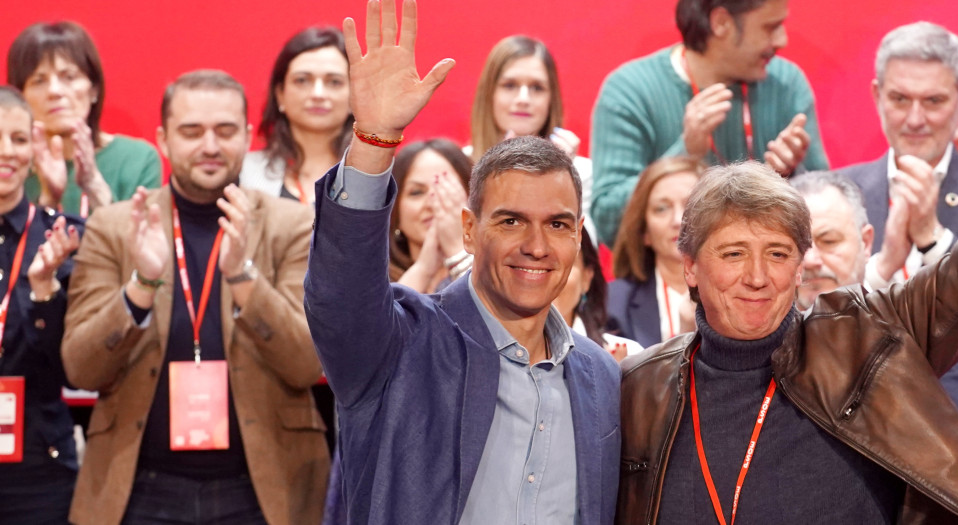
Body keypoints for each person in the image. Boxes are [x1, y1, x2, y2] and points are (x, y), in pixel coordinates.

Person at [616, 67, 958, 524]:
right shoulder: (640, 389)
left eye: (778, 254)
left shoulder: (867, 336)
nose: (758, 276)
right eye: (733, 254)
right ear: (689, 265)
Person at [304, 2, 619, 523]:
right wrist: (373, 141)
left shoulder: (601, 377)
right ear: (470, 231)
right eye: (512, 221)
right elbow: (339, 295)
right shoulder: (399, 345)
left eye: (559, 225)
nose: (537, 245)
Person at [61, 70, 327, 524]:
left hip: (266, 487)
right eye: (191, 132)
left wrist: (244, 276)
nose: (209, 146)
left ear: (246, 136)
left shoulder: (292, 225)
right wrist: (140, 286)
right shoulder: (117, 227)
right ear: (163, 139)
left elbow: (308, 363)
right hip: (139, 487)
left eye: (224, 131)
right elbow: (81, 367)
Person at [841, 22, 958, 409]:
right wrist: (881, 266)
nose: (914, 119)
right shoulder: (832, 194)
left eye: (933, 101)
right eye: (899, 99)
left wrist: (933, 241)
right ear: (877, 96)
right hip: (845, 419)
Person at [589, 0, 829, 245]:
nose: (782, 40)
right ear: (721, 23)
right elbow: (609, 222)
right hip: (670, 275)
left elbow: (828, 205)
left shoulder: (786, 83)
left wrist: (789, 176)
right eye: (771, 27)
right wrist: (685, 155)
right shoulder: (630, 92)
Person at [791, 170, 958, 438]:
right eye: (797, 246)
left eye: (829, 241)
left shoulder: (918, 336)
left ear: (866, 242)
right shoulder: (762, 346)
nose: (810, 260)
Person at [0, 86, 84, 524]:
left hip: (40, 466)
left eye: (17, 139)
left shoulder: (64, 237)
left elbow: (73, 369)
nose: (6, 153)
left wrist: (44, 293)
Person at [6, 21, 161, 217]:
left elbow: (138, 243)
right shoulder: (12, 162)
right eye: (39, 81)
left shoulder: (137, 158)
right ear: (21, 96)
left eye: (69, 77)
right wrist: (48, 200)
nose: (54, 91)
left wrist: (93, 183)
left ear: (94, 89)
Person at [469, 36, 594, 220]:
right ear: (489, 95)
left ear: (551, 100)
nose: (523, 99)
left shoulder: (581, 171)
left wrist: (559, 176)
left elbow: (576, 245)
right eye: (510, 85)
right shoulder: (460, 168)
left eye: (537, 88)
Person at [241, 26, 353, 204]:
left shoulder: (373, 177)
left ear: (354, 95)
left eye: (334, 82)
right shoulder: (244, 172)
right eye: (302, 80)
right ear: (280, 95)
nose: (318, 94)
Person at [608, 156, 701, 348]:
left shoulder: (743, 290)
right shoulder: (613, 303)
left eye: (690, 205)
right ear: (644, 232)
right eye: (661, 209)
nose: (678, 220)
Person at [386, 138, 472, 288]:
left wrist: (457, 250)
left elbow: (490, 309)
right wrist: (424, 269)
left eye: (447, 189)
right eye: (417, 192)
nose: (434, 203)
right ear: (395, 211)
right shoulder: (373, 280)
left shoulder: (500, 267)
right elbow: (390, 311)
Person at [553, 227, 644, 360]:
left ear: (587, 277)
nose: (547, 277)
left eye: (563, 264)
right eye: (534, 263)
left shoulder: (631, 357)